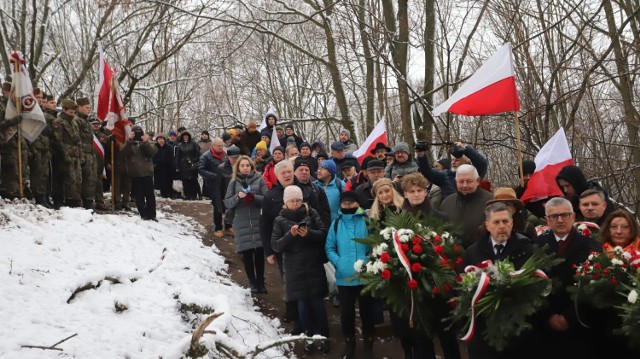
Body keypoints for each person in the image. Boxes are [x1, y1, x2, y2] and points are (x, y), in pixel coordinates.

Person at [462, 202, 534, 359]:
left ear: (512, 223)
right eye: (496, 222)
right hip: (485, 329)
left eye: (506, 221)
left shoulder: (527, 249)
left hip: (519, 328)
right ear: (487, 225)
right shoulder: (473, 252)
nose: (502, 226)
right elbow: (463, 285)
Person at [535, 197, 601, 359]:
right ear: (546, 220)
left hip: (580, 321)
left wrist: (569, 316)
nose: (560, 220)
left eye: (565, 215)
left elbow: (594, 285)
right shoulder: (536, 246)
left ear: (573, 217)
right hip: (545, 323)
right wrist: (548, 315)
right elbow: (532, 285)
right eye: (554, 216)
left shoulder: (590, 246)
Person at [271, 185, 330, 354]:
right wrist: (291, 234)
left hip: (313, 264)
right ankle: (309, 337)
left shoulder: (311, 213)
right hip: (293, 267)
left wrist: (308, 234)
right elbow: (275, 245)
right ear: (286, 203)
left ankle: (325, 337)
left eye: (298, 200)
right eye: (292, 201)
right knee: (302, 305)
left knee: (318, 303)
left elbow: (323, 234)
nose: (295, 204)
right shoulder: (279, 220)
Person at [325, 191, 374, 359]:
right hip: (344, 277)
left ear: (357, 204)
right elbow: (329, 247)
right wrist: (339, 262)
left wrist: (368, 262)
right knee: (347, 314)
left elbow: (374, 246)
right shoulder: (336, 224)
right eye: (344, 203)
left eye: (351, 203)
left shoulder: (367, 221)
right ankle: (349, 345)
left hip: (365, 276)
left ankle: (368, 347)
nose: (347, 206)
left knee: (367, 312)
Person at [223, 155, 268, 293]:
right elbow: (227, 202)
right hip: (241, 221)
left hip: (257, 219)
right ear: (238, 167)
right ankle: (252, 282)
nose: (245, 168)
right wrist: (238, 196)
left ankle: (261, 281)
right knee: (247, 254)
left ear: (252, 166)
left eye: (247, 165)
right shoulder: (233, 182)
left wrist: (253, 197)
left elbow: (267, 199)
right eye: (242, 165)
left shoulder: (259, 180)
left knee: (260, 253)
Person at [439, 164, 493, 248]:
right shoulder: (447, 202)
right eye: (461, 182)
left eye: (469, 181)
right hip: (453, 255)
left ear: (478, 181)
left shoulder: (491, 201)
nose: (465, 185)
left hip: (484, 253)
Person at [416, 141, 488, 199]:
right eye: (452, 160)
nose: (453, 162)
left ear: (466, 163)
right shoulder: (445, 176)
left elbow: (482, 164)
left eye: (457, 160)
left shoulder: (473, 174)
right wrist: (421, 155)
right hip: (449, 213)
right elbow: (427, 171)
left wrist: (465, 149)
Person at [50, 99, 82, 208]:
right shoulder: (58, 122)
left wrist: (80, 153)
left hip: (75, 154)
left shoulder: (74, 122)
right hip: (63, 155)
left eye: (74, 113)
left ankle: (74, 200)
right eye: (70, 113)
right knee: (64, 179)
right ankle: (60, 200)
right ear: (64, 110)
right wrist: (65, 155)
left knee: (76, 179)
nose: (72, 115)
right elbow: (57, 141)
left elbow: (78, 140)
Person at [122, 126, 158, 220]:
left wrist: (145, 142)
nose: (137, 134)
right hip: (135, 173)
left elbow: (153, 152)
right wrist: (129, 140)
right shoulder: (129, 143)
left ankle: (152, 214)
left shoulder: (147, 142)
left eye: (139, 132)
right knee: (139, 195)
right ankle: (143, 214)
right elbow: (123, 153)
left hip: (147, 172)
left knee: (150, 195)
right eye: (135, 133)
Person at [199, 138, 226, 238]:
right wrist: (212, 175)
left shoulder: (225, 155)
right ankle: (218, 227)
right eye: (219, 146)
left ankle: (228, 226)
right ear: (213, 146)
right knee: (218, 206)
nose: (221, 147)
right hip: (213, 185)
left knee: (227, 204)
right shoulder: (206, 156)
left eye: (222, 146)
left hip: (225, 184)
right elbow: (201, 169)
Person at [218, 145, 241, 236]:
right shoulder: (222, 168)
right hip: (226, 192)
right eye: (233, 158)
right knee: (227, 210)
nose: (235, 160)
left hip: (238, 191)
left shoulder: (242, 166)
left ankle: (232, 226)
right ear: (228, 158)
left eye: (237, 158)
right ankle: (224, 226)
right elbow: (219, 184)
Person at [175, 131, 200, 200]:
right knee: (185, 181)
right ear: (182, 137)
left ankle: (194, 195)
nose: (185, 137)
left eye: (187, 136)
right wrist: (177, 166)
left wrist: (194, 161)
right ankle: (187, 195)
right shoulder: (180, 145)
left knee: (193, 180)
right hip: (183, 165)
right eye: (184, 136)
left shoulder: (193, 144)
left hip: (192, 164)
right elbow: (178, 156)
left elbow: (197, 153)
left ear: (189, 136)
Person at [153, 133, 175, 198]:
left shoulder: (168, 147)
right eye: (159, 139)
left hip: (167, 168)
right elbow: (153, 157)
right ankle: (163, 194)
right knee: (160, 182)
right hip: (158, 168)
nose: (161, 140)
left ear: (164, 140)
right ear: (157, 140)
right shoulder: (154, 147)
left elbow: (171, 157)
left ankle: (170, 194)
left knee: (168, 181)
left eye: (162, 139)